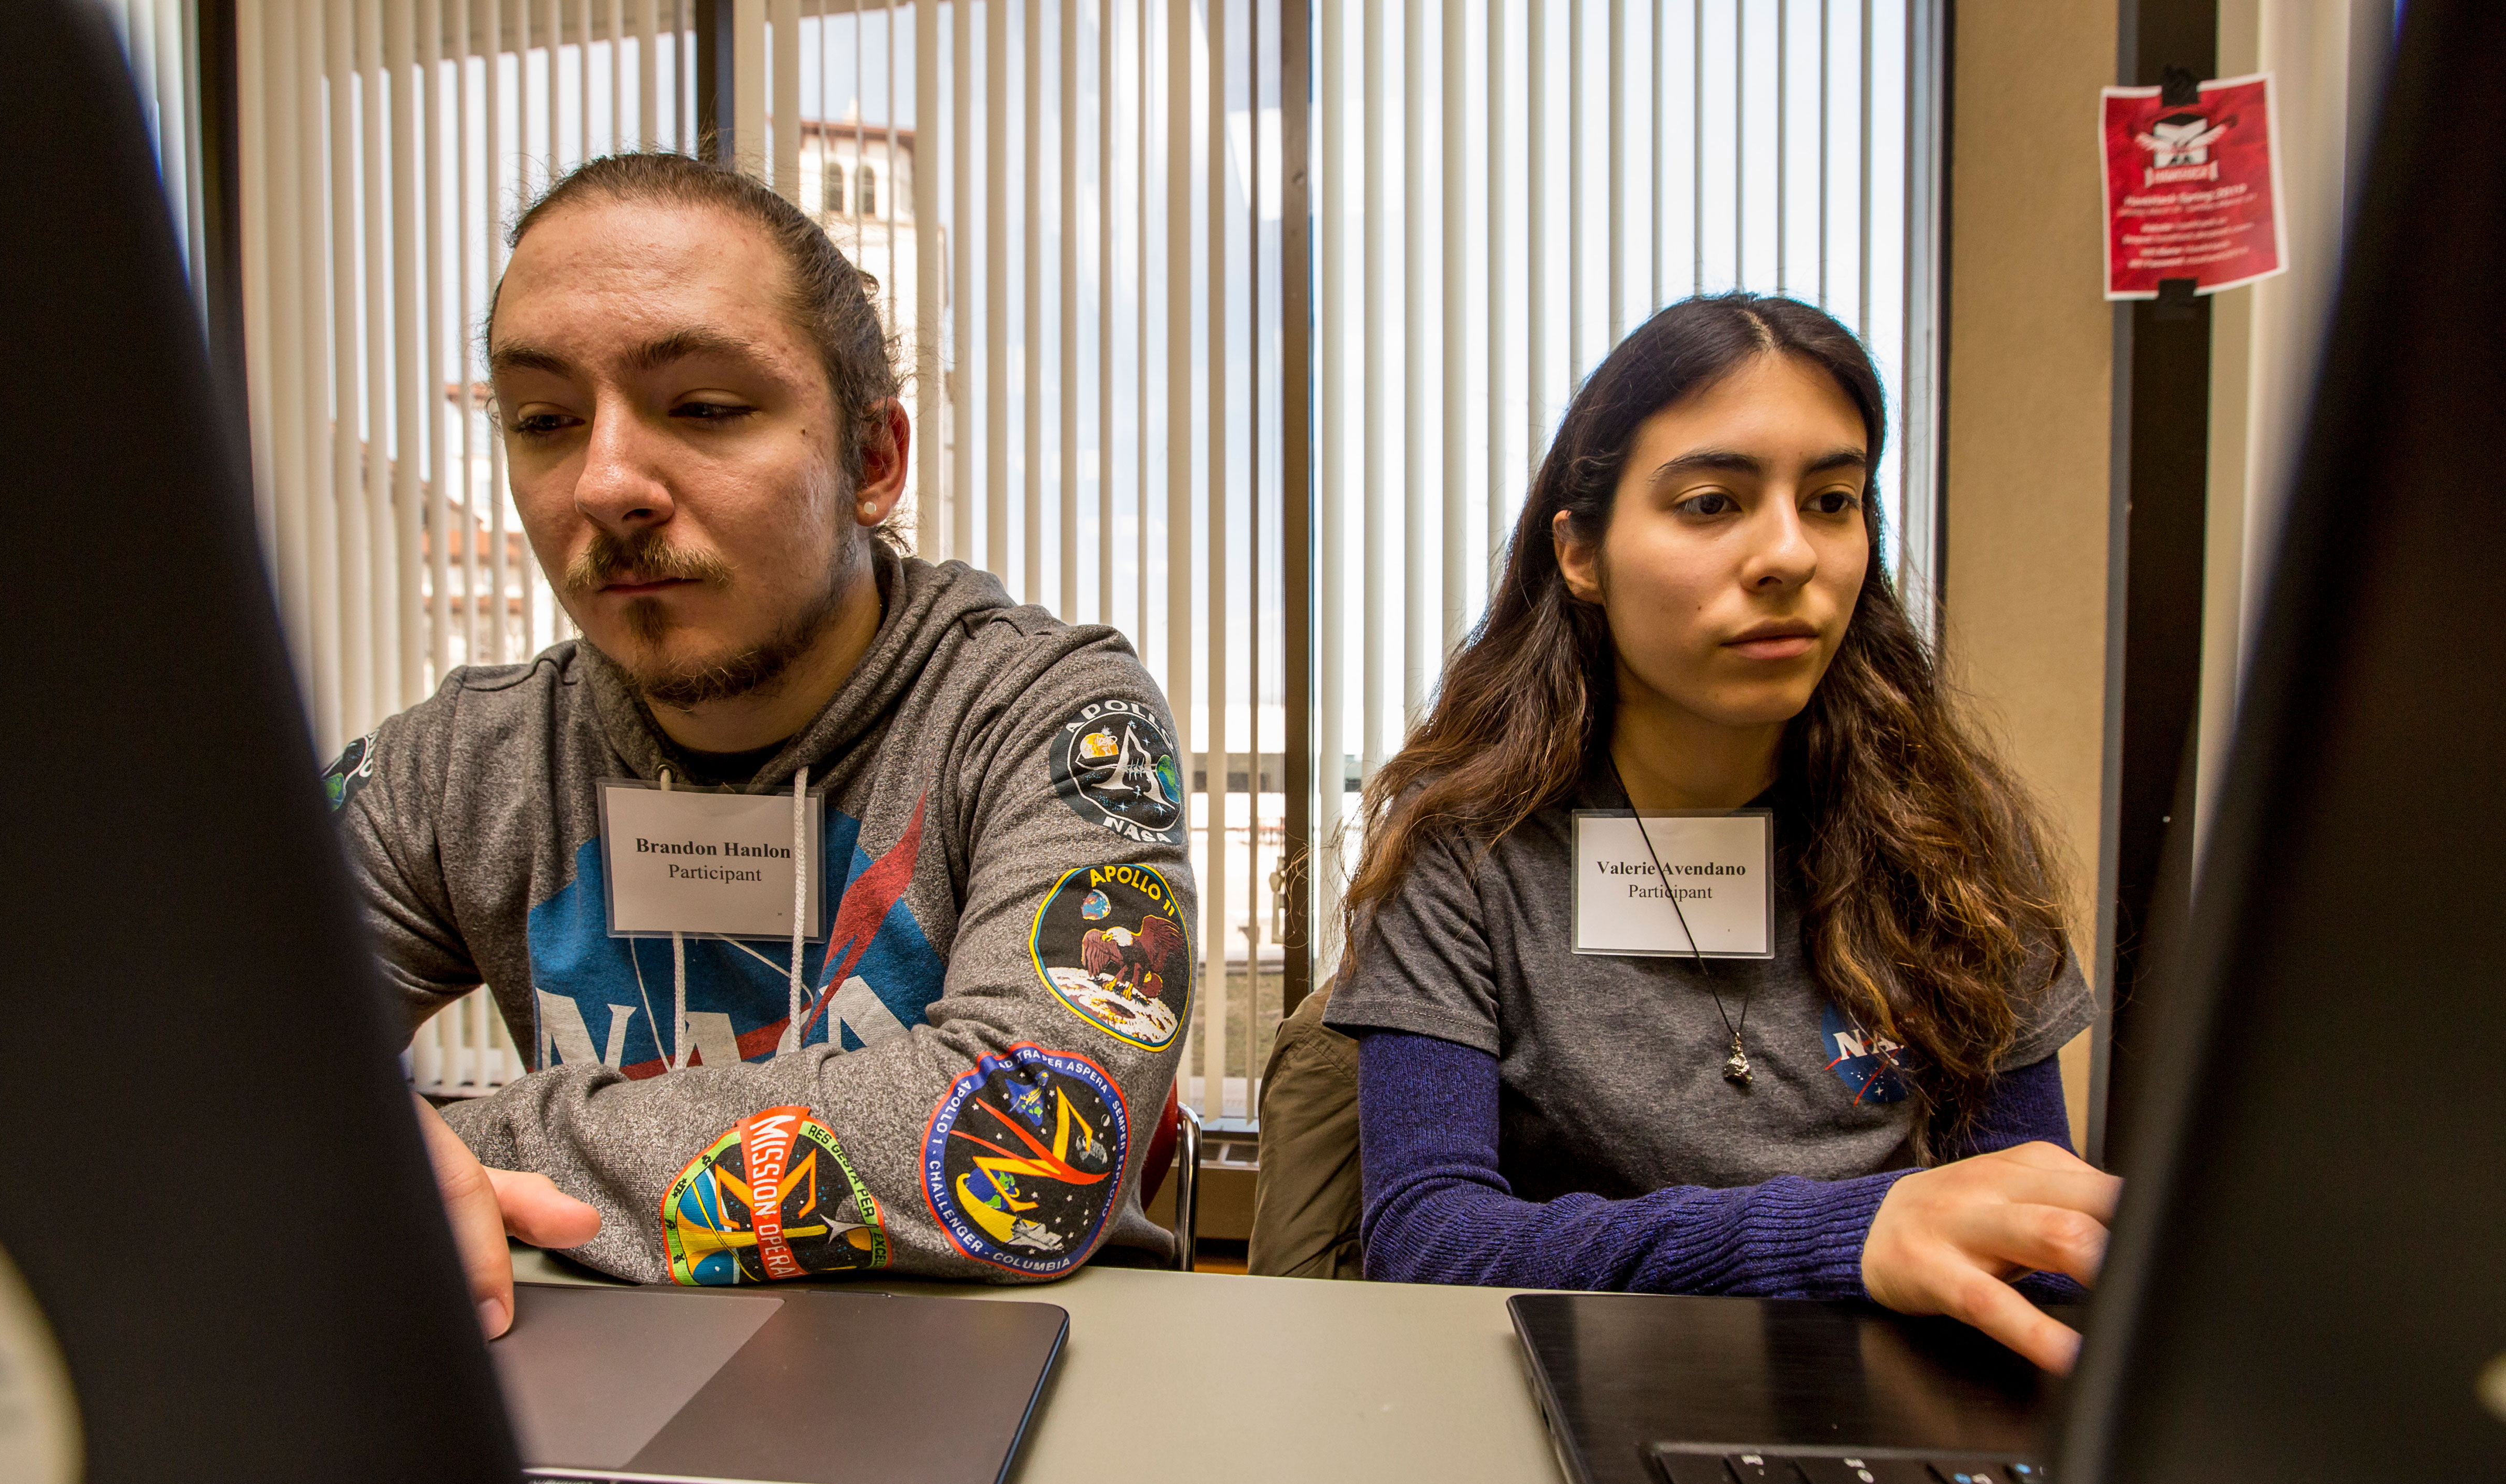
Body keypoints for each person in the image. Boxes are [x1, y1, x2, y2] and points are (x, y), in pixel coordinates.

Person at [328, 153, 1194, 1334]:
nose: (606, 482)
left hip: (1004, 1359)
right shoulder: (458, 764)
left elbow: (1028, 1143)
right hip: (596, 1356)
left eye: (705, 407)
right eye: (543, 420)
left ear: (873, 461)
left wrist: (436, 1148)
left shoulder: (1049, 713)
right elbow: (167, 1054)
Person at [1322, 293, 2114, 1374]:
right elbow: (1430, 1237)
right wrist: (1841, 1235)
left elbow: (2038, 1241)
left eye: (1832, 500)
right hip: (1563, 1394)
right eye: (1710, 503)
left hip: (1891, 1416)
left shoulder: (1950, 844)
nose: (1789, 553)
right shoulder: (1464, 850)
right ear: (1581, 554)